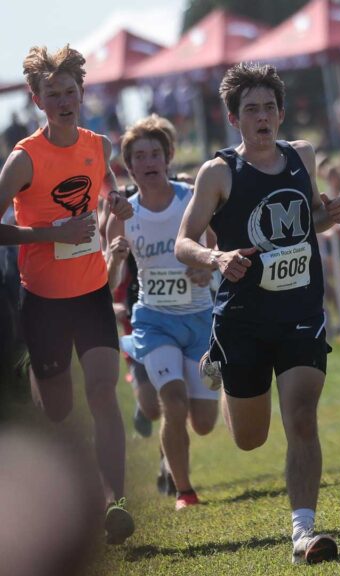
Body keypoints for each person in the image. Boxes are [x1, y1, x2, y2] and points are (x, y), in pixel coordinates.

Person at [174, 62, 340, 565]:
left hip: (299, 311)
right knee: (250, 439)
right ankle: (221, 363)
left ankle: (304, 532)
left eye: (270, 107)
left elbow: (308, 218)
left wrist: (330, 215)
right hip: (242, 318)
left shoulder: (302, 156)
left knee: (301, 415)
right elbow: (183, 241)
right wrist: (216, 257)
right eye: (251, 109)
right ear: (234, 119)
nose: (263, 116)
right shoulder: (219, 172)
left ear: (281, 112)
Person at [0, 44, 135, 545]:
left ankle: (113, 503)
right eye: (52, 93)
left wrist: (115, 203)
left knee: (102, 390)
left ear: (81, 93)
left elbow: (106, 185)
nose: (63, 100)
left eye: (70, 91)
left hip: (93, 290)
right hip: (43, 301)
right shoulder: (24, 158)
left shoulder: (97, 144)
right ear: (37, 100)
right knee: (57, 411)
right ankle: (33, 385)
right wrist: (46, 236)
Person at [106, 115, 219, 511]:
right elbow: (111, 277)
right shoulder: (123, 213)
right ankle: (185, 492)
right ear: (130, 166)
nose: (150, 161)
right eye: (140, 156)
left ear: (168, 157)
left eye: (156, 153)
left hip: (200, 319)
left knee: (203, 422)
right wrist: (114, 260)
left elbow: (214, 250)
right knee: (172, 400)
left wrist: (205, 267)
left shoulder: (191, 199)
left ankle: (171, 453)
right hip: (153, 319)